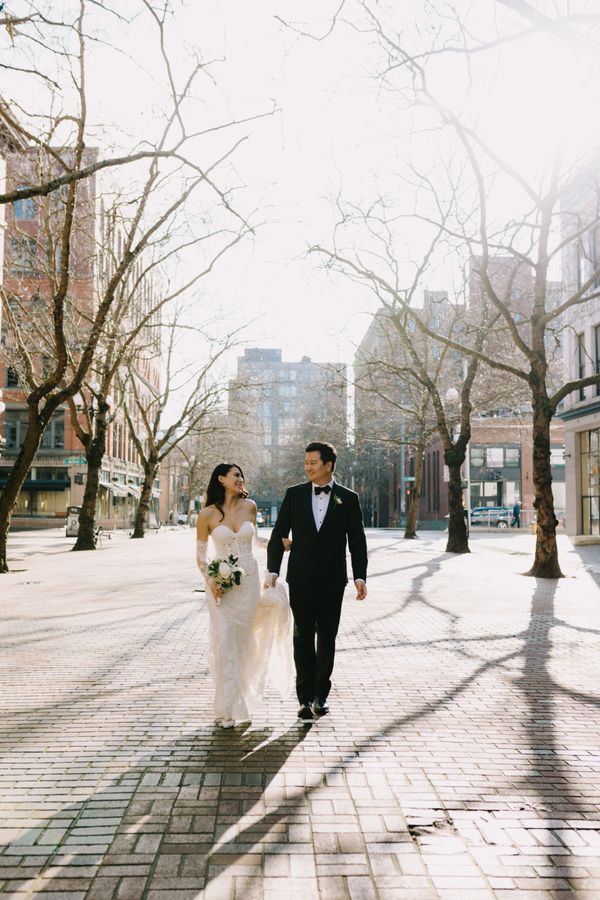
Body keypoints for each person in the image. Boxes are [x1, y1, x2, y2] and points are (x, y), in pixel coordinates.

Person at [265, 441, 368, 722]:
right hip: (300, 578)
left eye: (313, 463)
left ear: (328, 465)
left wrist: (360, 576)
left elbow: (357, 542)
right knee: (302, 637)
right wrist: (273, 570)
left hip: (333, 581)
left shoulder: (349, 498)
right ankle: (304, 697)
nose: (308, 467)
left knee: (327, 638)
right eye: (306, 463)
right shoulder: (294, 495)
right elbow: (278, 534)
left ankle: (321, 695)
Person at [196, 463, 293, 728]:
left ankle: (243, 699)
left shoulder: (250, 506)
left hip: (249, 580)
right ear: (221, 479)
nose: (240, 478)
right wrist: (212, 581)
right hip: (223, 587)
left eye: (242, 475)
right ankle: (228, 708)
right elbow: (201, 558)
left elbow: (256, 541)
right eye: (235, 474)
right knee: (225, 640)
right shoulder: (206, 515)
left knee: (245, 643)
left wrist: (280, 545)